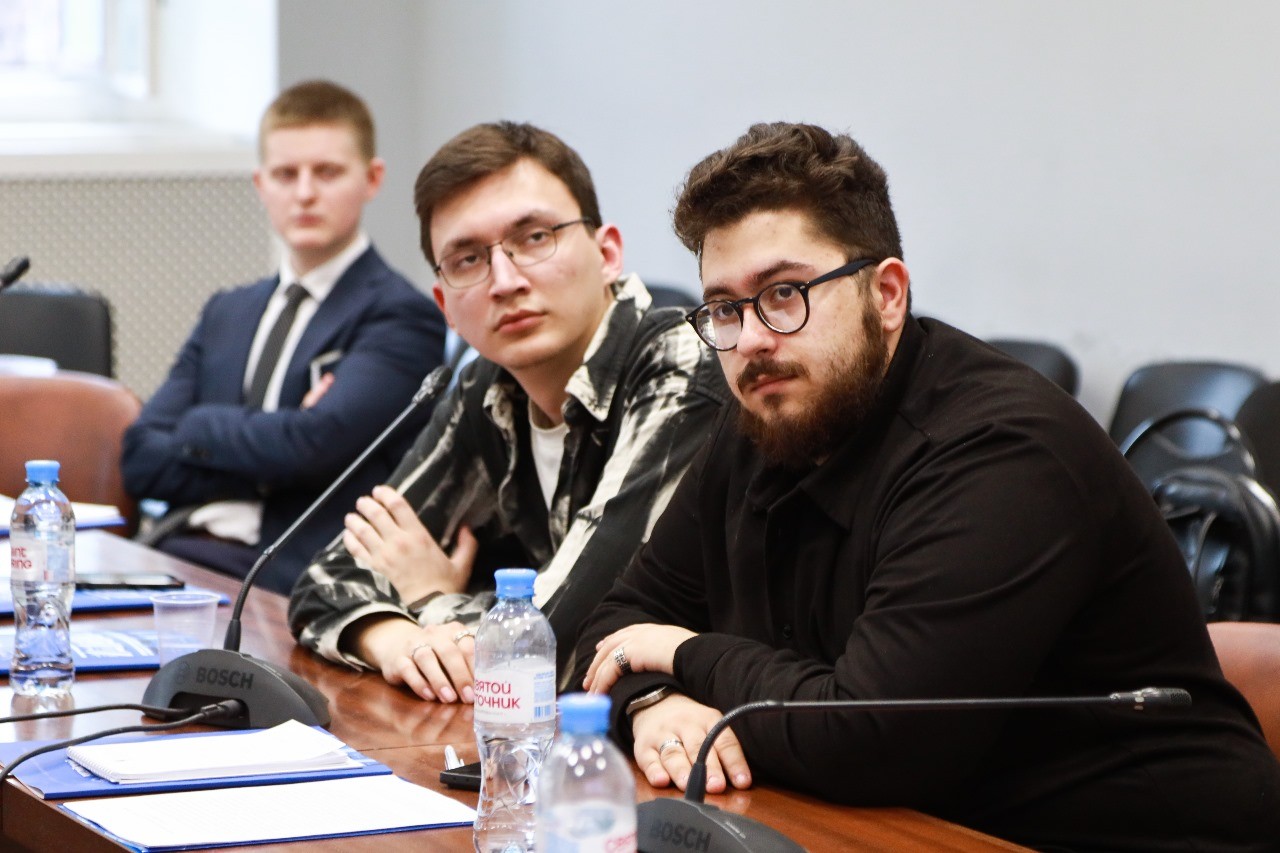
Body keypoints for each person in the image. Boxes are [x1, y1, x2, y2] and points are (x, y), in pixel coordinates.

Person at [575, 122, 1280, 850]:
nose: (751, 339)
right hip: (891, 826)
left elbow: (871, 740)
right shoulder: (766, 415)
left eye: (784, 293)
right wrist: (652, 701)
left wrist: (682, 654)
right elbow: (610, 627)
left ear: (886, 294)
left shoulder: (1004, 449)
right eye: (725, 308)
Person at [288, 122, 728, 704]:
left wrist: (428, 599)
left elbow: (567, 636)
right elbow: (323, 581)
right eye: (467, 259)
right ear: (446, 306)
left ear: (607, 254)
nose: (504, 280)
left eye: (536, 237)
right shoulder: (486, 386)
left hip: (713, 724)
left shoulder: (680, 363)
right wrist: (396, 640)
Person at [122, 80, 446, 595]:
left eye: (327, 172)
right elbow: (141, 458)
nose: (305, 193)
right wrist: (278, 449)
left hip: (289, 578)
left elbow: (314, 446)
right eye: (286, 174)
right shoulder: (227, 311)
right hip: (179, 552)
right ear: (261, 184)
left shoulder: (400, 315)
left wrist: (199, 426)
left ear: (372, 178)